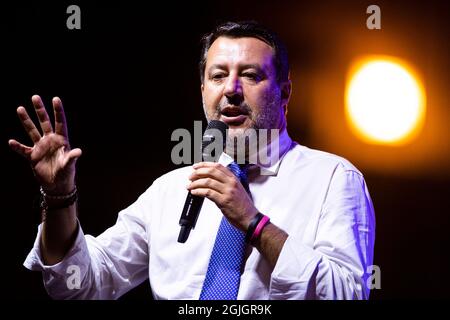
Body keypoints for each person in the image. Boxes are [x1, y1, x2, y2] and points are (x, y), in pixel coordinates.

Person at [9, 21, 375, 300]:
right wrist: (60, 197)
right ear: (203, 90)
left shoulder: (333, 179)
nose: (231, 89)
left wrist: (252, 222)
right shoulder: (170, 191)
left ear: (285, 91)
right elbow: (80, 285)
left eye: (250, 75)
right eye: (218, 76)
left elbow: (345, 293)